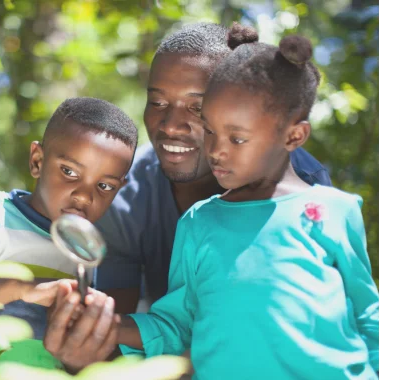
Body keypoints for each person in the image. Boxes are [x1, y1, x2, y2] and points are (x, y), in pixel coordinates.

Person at [43, 22, 332, 370]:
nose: (169, 125)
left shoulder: (300, 187)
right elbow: (115, 333)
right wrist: (84, 346)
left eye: (197, 108)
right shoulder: (123, 195)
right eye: (158, 102)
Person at [114, 31, 380, 379]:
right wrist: (107, 324)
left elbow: (365, 314)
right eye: (210, 131)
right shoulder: (198, 222)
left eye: (237, 138)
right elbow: (176, 326)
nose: (217, 150)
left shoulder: (333, 210)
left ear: (294, 136)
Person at [0, 96, 137, 372]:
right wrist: (21, 289)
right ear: (37, 161)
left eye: (105, 186)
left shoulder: (90, 252)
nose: (84, 197)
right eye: (69, 171)